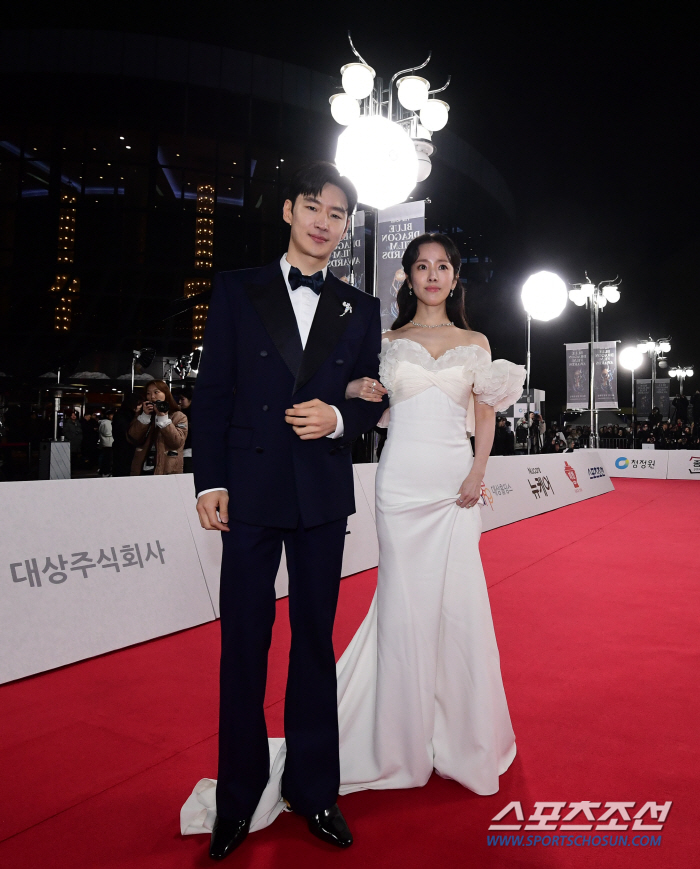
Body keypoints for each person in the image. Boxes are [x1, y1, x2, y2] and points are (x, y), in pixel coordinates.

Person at [183, 231, 524, 853]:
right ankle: (383, 740)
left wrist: (478, 472)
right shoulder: (381, 336)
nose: (432, 275)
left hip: (449, 487)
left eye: (442, 266)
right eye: (421, 266)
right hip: (392, 487)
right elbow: (347, 388)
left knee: (457, 608)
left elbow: (483, 411)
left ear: (454, 278)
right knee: (391, 610)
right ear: (408, 277)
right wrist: (347, 400)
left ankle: (451, 734)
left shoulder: (471, 342)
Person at [191, 161, 385, 859]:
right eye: (313, 206)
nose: (324, 221)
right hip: (247, 487)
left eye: (337, 214)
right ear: (287, 211)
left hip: (322, 493)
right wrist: (208, 480)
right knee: (243, 644)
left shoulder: (359, 308)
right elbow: (212, 393)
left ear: (344, 227)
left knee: (314, 645)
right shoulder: (237, 289)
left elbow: (372, 395)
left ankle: (315, 790)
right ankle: (238, 800)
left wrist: (337, 415)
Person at [127, 380, 188, 475]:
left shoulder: (179, 416)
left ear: (166, 394)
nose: (152, 397)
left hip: (167, 470)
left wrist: (163, 418)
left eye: (156, 392)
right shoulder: (143, 415)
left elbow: (177, 442)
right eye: (148, 393)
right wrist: (145, 416)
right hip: (142, 469)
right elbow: (132, 438)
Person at [111, 395, 140, 477]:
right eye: (139, 404)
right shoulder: (127, 416)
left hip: (121, 450)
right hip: (125, 450)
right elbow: (128, 433)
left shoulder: (120, 415)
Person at [173, 386, 194, 474]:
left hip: (189, 452)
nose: (180, 402)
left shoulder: (193, 415)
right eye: (179, 399)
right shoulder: (180, 413)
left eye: (182, 399)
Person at [98, 410, 114, 476]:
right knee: (107, 459)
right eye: (111, 415)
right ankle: (105, 472)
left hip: (106, 443)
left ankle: (103, 471)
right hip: (108, 443)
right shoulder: (106, 423)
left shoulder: (105, 422)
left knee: (106, 458)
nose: (112, 416)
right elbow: (107, 433)